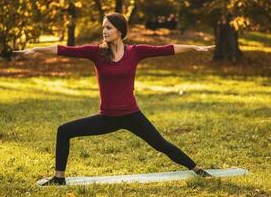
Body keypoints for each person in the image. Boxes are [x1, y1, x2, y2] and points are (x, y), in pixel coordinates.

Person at [14, 12, 215, 186]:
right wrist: (37, 49)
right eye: (103, 28)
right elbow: (64, 50)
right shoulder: (96, 53)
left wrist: (195, 48)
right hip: (107, 118)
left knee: (161, 144)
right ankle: (59, 178)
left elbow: (168, 49)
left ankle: (197, 169)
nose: (104, 31)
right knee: (64, 131)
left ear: (119, 30)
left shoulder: (135, 52)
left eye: (108, 27)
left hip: (132, 115)